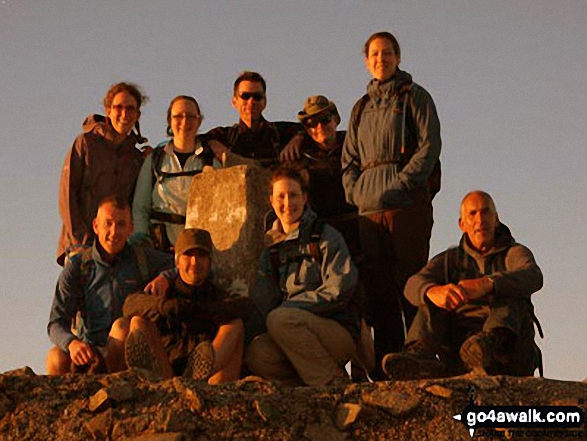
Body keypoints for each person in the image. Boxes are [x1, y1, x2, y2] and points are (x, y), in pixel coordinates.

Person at [341, 31, 442, 374]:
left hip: (406, 205)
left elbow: (430, 146)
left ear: (398, 57)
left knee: (411, 283)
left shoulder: (415, 96)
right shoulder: (361, 107)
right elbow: (349, 161)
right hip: (368, 210)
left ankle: (420, 356)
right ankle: (388, 366)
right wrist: (356, 193)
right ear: (366, 61)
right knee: (379, 289)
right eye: (373, 54)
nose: (380, 59)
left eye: (386, 53)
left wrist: (401, 184)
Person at [382, 191, 543, 380]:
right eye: (472, 214)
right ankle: (418, 357)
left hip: (510, 353)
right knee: (433, 296)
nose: (480, 219)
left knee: (512, 293)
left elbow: (533, 275)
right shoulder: (449, 260)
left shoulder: (514, 253)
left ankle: (491, 343)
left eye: (486, 212)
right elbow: (412, 284)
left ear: (496, 219)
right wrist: (433, 291)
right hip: (461, 348)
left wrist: (488, 284)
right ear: (462, 224)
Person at [245, 167, 359, 387]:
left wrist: (291, 309)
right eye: (281, 196)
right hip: (290, 331)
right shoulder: (271, 250)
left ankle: (334, 386)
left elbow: (339, 288)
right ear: (271, 201)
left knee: (279, 319)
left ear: (304, 198)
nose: (287, 203)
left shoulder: (325, 235)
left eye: (293, 195)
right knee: (258, 353)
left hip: (335, 329)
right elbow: (264, 302)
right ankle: (305, 387)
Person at [46, 196, 174, 375]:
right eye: (108, 223)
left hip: (124, 352)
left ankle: (116, 392)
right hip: (89, 352)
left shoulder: (142, 259)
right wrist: (72, 343)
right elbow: (55, 324)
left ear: (131, 228)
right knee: (55, 357)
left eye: (121, 224)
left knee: (121, 327)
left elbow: (178, 263)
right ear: (96, 226)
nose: (114, 232)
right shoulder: (78, 267)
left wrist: (165, 278)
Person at [123, 228, 253, 384]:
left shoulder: (215, 295)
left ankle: (201, 377)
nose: (194, 262)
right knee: (138, 321)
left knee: (235, 325)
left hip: (208, 381)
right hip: (167, 377)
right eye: (188, 255)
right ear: (177, 260)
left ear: (210, 261)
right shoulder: (162, 291)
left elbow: (246, 306)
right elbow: (129, 305)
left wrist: (203, 311)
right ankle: (147, 377)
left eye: (201, 256)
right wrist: (166, 306)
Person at [57, 82, 148, 266]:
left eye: (130, 108)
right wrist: (82, 242)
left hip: (118, 250)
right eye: (118, 107)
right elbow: (67, 194)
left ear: (137, 115)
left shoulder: (136, 159)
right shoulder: (85, 144)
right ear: (108, 110)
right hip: (80, 246)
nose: (124, 114)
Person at [131, 95, 219, 253]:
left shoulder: (211, 161)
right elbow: (140, 207)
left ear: (199, 121)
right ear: (169, 121)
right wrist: (142, 243)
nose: (185, 122)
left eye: (191, 116)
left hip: (198, 253)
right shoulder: (154, 160)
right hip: (159, 251)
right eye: (178, 116)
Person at [290, 95, 360, 257]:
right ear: (306, 129)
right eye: (312, 123)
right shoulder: (301, 156)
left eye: (325, 119)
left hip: (360, 227)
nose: (319, 126)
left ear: (335, 119)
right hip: (324, 237)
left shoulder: (354, 144)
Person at [203, 71, 302, 168]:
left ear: (264, 102)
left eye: (257, 97)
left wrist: (298, 139)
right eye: (245, 96)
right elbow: (196, 138)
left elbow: (311, 129)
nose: (251, 102)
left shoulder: (280, 132)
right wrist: (213, 143)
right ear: (234, 101)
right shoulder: (225, 136)